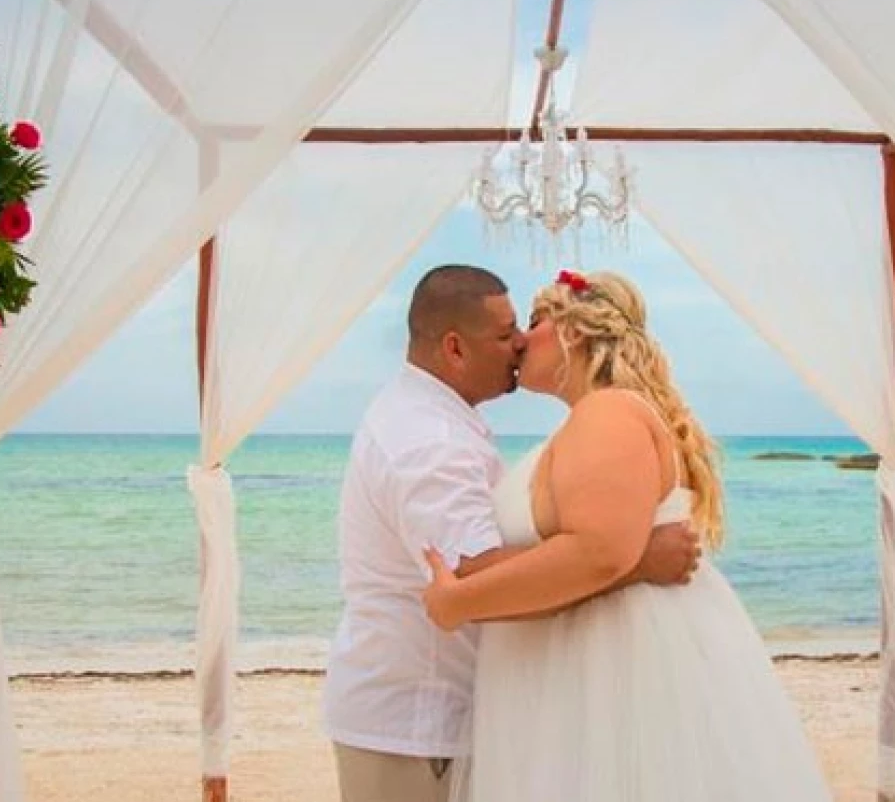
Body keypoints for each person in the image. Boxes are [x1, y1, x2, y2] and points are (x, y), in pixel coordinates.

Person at [421, 269, 831, 802]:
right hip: (575, 671)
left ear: (574, 332)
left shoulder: (609, 413)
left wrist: (459, 601)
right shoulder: (593, 419)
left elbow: (597, 553)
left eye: (536, 321)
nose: (522, 339)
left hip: (612, 671)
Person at [322, 265, 702, 802]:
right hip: (417, 730)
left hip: (441, 722)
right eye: (504, 334)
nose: (520, 341)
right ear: (454, 349)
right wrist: (635, 560)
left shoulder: (440, 421)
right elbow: (473, 579)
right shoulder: (429, 440)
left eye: (524, 326)